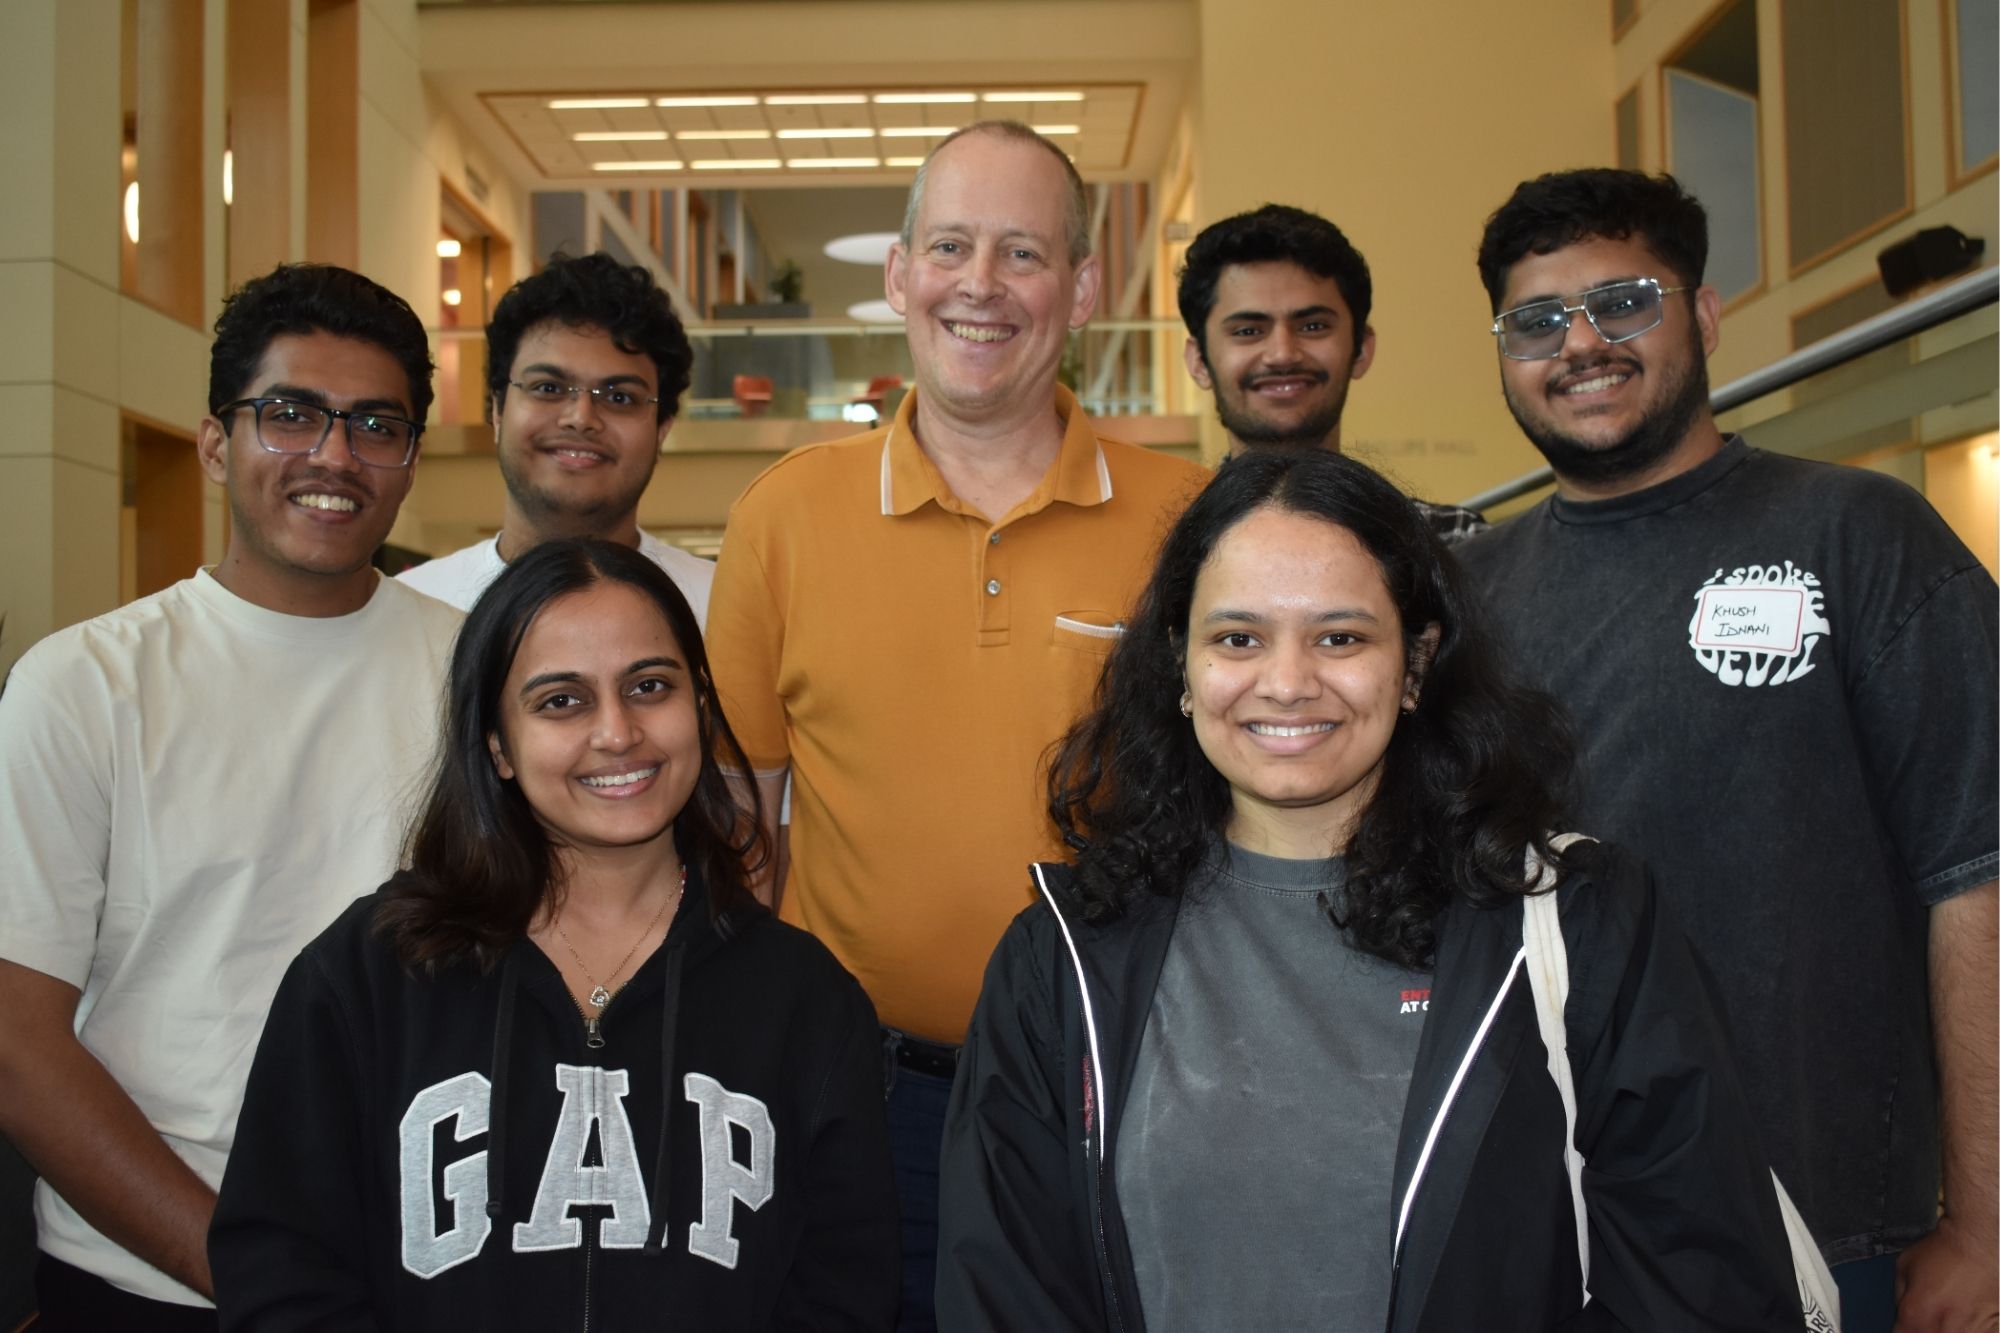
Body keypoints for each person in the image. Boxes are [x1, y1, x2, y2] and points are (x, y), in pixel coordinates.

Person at [937, 447, 1809, 1332]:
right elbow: (1006, 1293)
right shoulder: (1065, 953)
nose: (1286, 682)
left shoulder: (1577, 923)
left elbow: (1699, 1278)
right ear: (1180, 667)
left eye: (1340, 637)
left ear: (1418, 662)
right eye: (1238, 637)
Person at [1456, 168, 1998, 1333]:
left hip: (1826, 1223)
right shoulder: (1463, 595)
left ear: (1701, 317)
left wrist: (1986, 1222)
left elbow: (1978, 873)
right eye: (1536, 321)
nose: (1580, 343)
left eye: (1623, 302)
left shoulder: (1858, 538)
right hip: (1552, 1220)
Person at [704, 120, 1208, 1329]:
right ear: (898, 273)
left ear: (1082, 289)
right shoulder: (783, 519)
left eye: (1022, 253)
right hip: (857, 1099)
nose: (980, 285)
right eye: (949, 246)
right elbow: (732, 819)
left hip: (1123, 1092)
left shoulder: (1189, 522)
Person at [209, 539, 899, 1329]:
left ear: (700, 709)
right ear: (497, 744)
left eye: (649, 686)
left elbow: (846, 1290)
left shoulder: (803, 998)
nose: (617, 732)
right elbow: (283, 1273)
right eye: (560, 700)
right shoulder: (368, 974)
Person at [0, 264, 463, 1329]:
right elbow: (21, 1045)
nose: (334, 456)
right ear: (217, 442)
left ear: (407, 461)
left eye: (375, 425)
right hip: (149, 1274)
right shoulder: (86, 685)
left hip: (427, 1271)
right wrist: (252, 1273)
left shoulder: (480, 675)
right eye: (290, 415)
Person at [399, 251, 715, 623]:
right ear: (497, 410)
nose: (581, 418)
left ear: (662, 429)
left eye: (619, 397)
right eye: (548, 387)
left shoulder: (721, 609)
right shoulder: (413, 608)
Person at [1175, 203, 1487, 543]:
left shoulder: (1453, 544)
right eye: (1248, 331)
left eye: (1313, 326)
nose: (1282, 354)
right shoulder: (1157, 551)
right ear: (1199, 362)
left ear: (1361, 349)